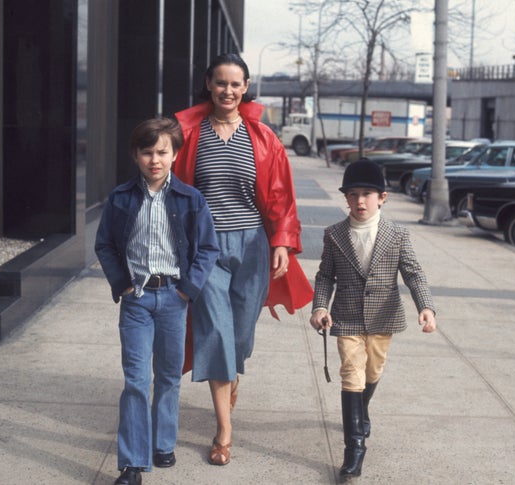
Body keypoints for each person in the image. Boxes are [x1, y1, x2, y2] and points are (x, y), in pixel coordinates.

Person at [173, 53, 313, 466]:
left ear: (246, 87)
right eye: (221, 83)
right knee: (214, 331)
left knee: (240, 338)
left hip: (253, 246)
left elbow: (281, 197)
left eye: (235, 84)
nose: (228, 91)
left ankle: (230, 375)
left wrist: (283, 243)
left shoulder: (264, 138)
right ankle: (223, 431)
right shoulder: (189, 133)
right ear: (208, 84)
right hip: (206, 248)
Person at [95, 117, 220, 485]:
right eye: (147, 152)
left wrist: (187, 289)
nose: (155, 159)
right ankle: (132, 464)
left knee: (167, 376)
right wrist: (122, 284)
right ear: (135, 155)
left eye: (162, 152)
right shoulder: (120, 198)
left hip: (173, 298)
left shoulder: (190, 199)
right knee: (136, 379)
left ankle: (163, 442)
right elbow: (103, 244)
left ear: (175, 155)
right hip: (136, 300)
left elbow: (208, 248)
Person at [309, 159, 437, 478]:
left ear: (382, 197)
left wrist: (427, 307)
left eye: (367, 193)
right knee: (351, 373)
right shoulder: (335, 234)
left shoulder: (397, 235)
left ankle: (360, 410)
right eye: (353, 194)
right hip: (347, 318)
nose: (360, 201)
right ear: (346, 199)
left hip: (384, 317)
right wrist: (319, 307)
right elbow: (325, 276)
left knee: (372, 370)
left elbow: (414, 273)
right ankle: (354, 449)